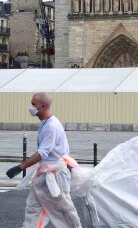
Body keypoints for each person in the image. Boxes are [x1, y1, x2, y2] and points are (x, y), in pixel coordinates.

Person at [6, 92, 82, 228]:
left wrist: (20, 167)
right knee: (33, 208)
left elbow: (42, 153)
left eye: (33, 104)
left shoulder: (51, 126)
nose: (31, 107)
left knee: (64, 210)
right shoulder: (46, 123)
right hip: (46, 174)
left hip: (55, 175)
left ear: (43, 106)